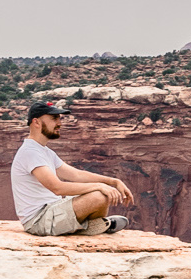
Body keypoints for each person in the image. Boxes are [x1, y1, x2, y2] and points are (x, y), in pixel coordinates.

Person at [12, 100, 135, 235]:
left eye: (59, 119)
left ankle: (91, 225)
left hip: (52, 210)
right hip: (39, 220)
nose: (59, 123)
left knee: (98, 194)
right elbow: (57, 188)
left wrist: (113, 182)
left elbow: (77, 175)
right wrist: (99, 186)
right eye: (54, 119)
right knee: (99, 197)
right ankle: (92, 226)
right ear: (36, 122)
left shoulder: (44, 151)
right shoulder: (30, 152)